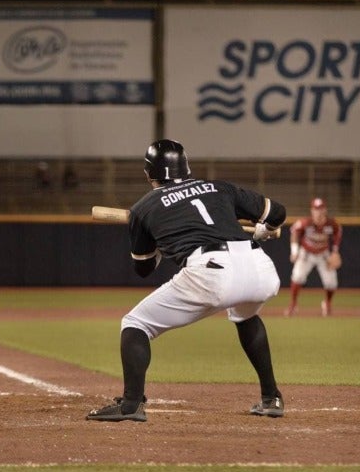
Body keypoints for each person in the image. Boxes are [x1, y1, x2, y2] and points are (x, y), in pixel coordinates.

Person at [86, 139, 287, 423]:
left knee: (135, 324)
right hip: (259, 266)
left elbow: (143, 269)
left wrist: (156, 243)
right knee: (245, 316)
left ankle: (131, 404)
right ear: (187, 167)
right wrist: (263, 230)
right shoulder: (219, 188)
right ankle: (272, 397)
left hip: (212, 270)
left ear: (148, 174)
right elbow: (277, 212)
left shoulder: (144, 208)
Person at [286, 197, 343, 317]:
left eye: (321, 209)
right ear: (312, 211)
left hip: (323, 254)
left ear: (325, 210)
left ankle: (327, 303)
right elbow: (294, 233)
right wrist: (295, 251)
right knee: (297, 277)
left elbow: (338, 232)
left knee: (331, 283)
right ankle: (293, 304)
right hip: (306, 253)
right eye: (316, 209)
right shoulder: (306, 223)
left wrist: (335, 252)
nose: (319, 212)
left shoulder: (331, 224)